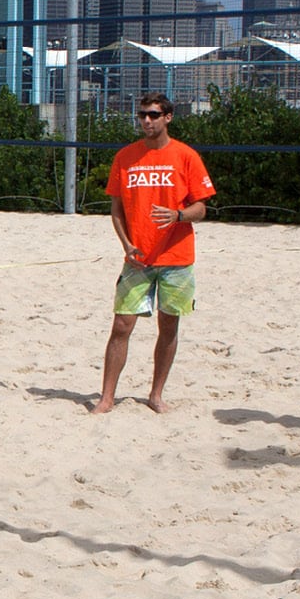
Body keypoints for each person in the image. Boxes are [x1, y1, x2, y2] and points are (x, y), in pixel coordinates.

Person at [90, 93, 216, 414]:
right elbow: (116, 209)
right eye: (142, 115)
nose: (147, 120)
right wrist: (126, 244)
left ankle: (156, 394)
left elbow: (201, 207)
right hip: (138, 257)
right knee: (121, 326)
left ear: (168, 117)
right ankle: (107, 398)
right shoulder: (126, 157)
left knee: (168, 326)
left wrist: (178, 216)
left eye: (154, 115)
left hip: (176, 257)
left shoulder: (185, 156)